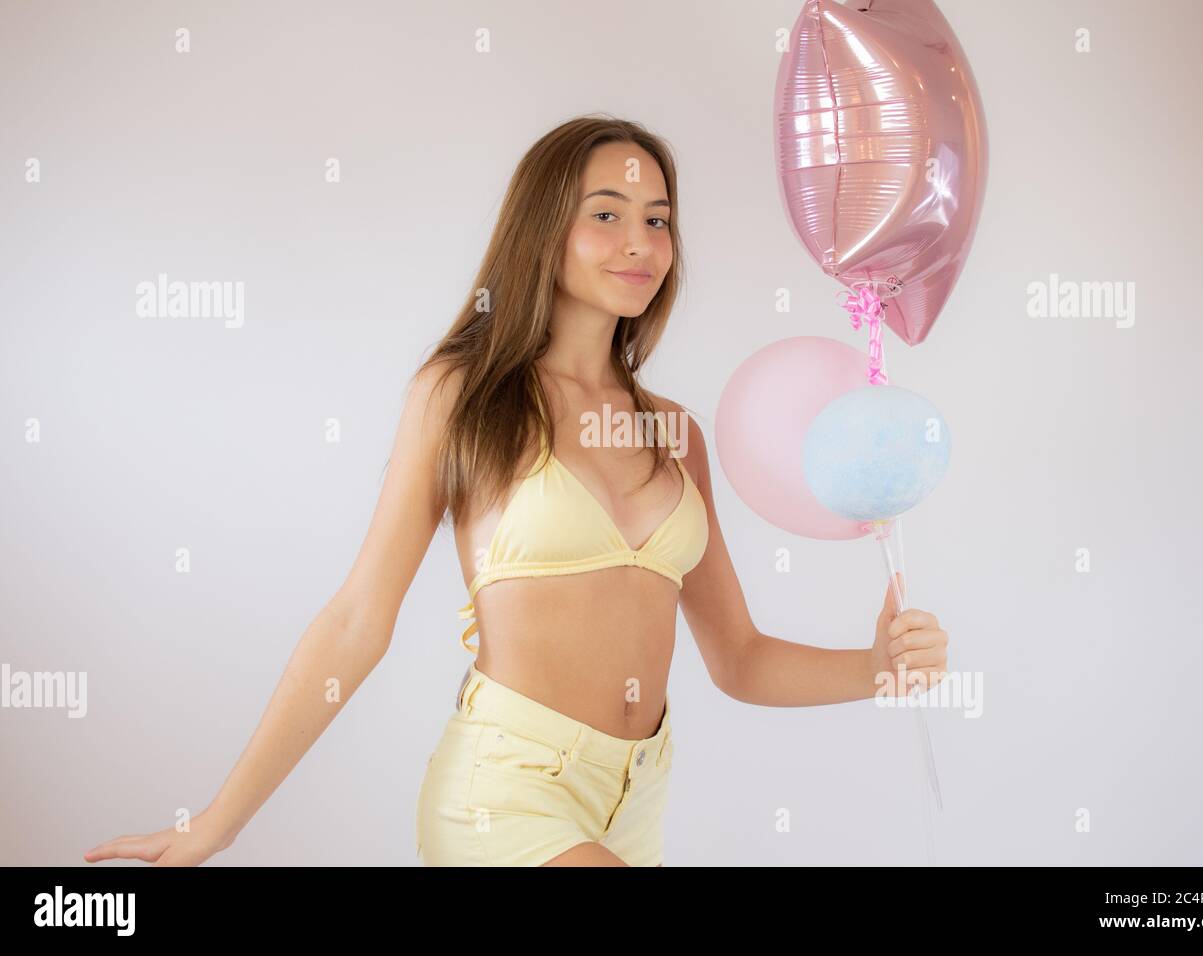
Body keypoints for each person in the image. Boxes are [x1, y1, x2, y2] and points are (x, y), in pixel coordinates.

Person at [84, 115, 948, 868]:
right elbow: (357, 619)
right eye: (605, 215)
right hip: (506, 792)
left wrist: (877, 670)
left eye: (658, 220)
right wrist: (217, 825)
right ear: (544, 230)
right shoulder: (464, 396)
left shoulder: (675, 433)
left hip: (636, 805)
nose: (639, 242)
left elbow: (739, 659)